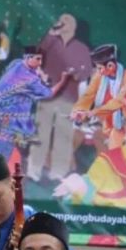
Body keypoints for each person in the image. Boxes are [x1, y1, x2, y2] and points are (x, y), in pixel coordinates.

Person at [27, 13, 92, 182]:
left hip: (69, 97)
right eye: (61, 20)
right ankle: (34, 169)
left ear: (74, 27)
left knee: (63, 134)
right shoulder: (50, 42)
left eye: (68, 20)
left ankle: (58, 172)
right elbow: (38, 54)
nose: (63, 22)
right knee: (41, 132)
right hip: (48, 94)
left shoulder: (81, 48)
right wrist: (50, 33)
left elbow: (85, 72)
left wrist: (75, 72)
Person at [72, 44, 126, 150]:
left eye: (99, 68)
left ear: (110, 66)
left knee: (105, 141)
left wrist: (94, 112)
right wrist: (79, 111)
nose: (98, 71)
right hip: (100, 122)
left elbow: (118, 102)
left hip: (123, 123)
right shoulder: (98, 76)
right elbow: (88, 95)